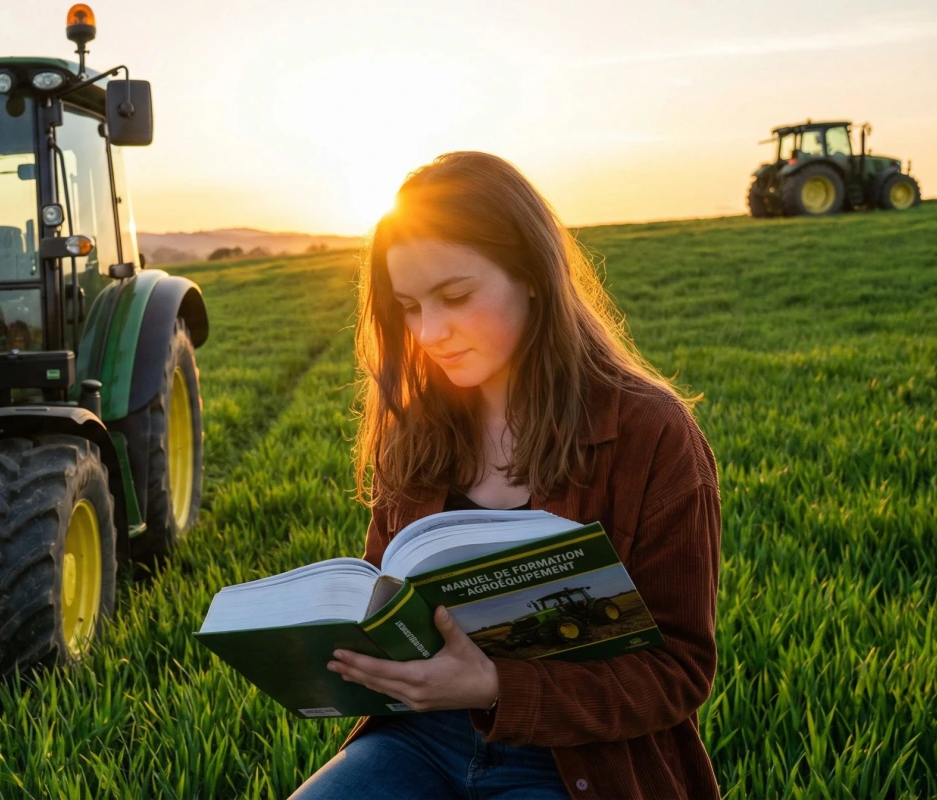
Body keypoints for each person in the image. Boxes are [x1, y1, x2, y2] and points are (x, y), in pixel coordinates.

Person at [290, 153, 720, 799]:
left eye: (455, 296)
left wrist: (495, 685)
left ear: (533, 275)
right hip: (418, 737)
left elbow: (679, 670)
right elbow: (383, 598)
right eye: (409, 306)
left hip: (572, 759)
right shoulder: (415, 426)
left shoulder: (650, 433)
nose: (429, 332)